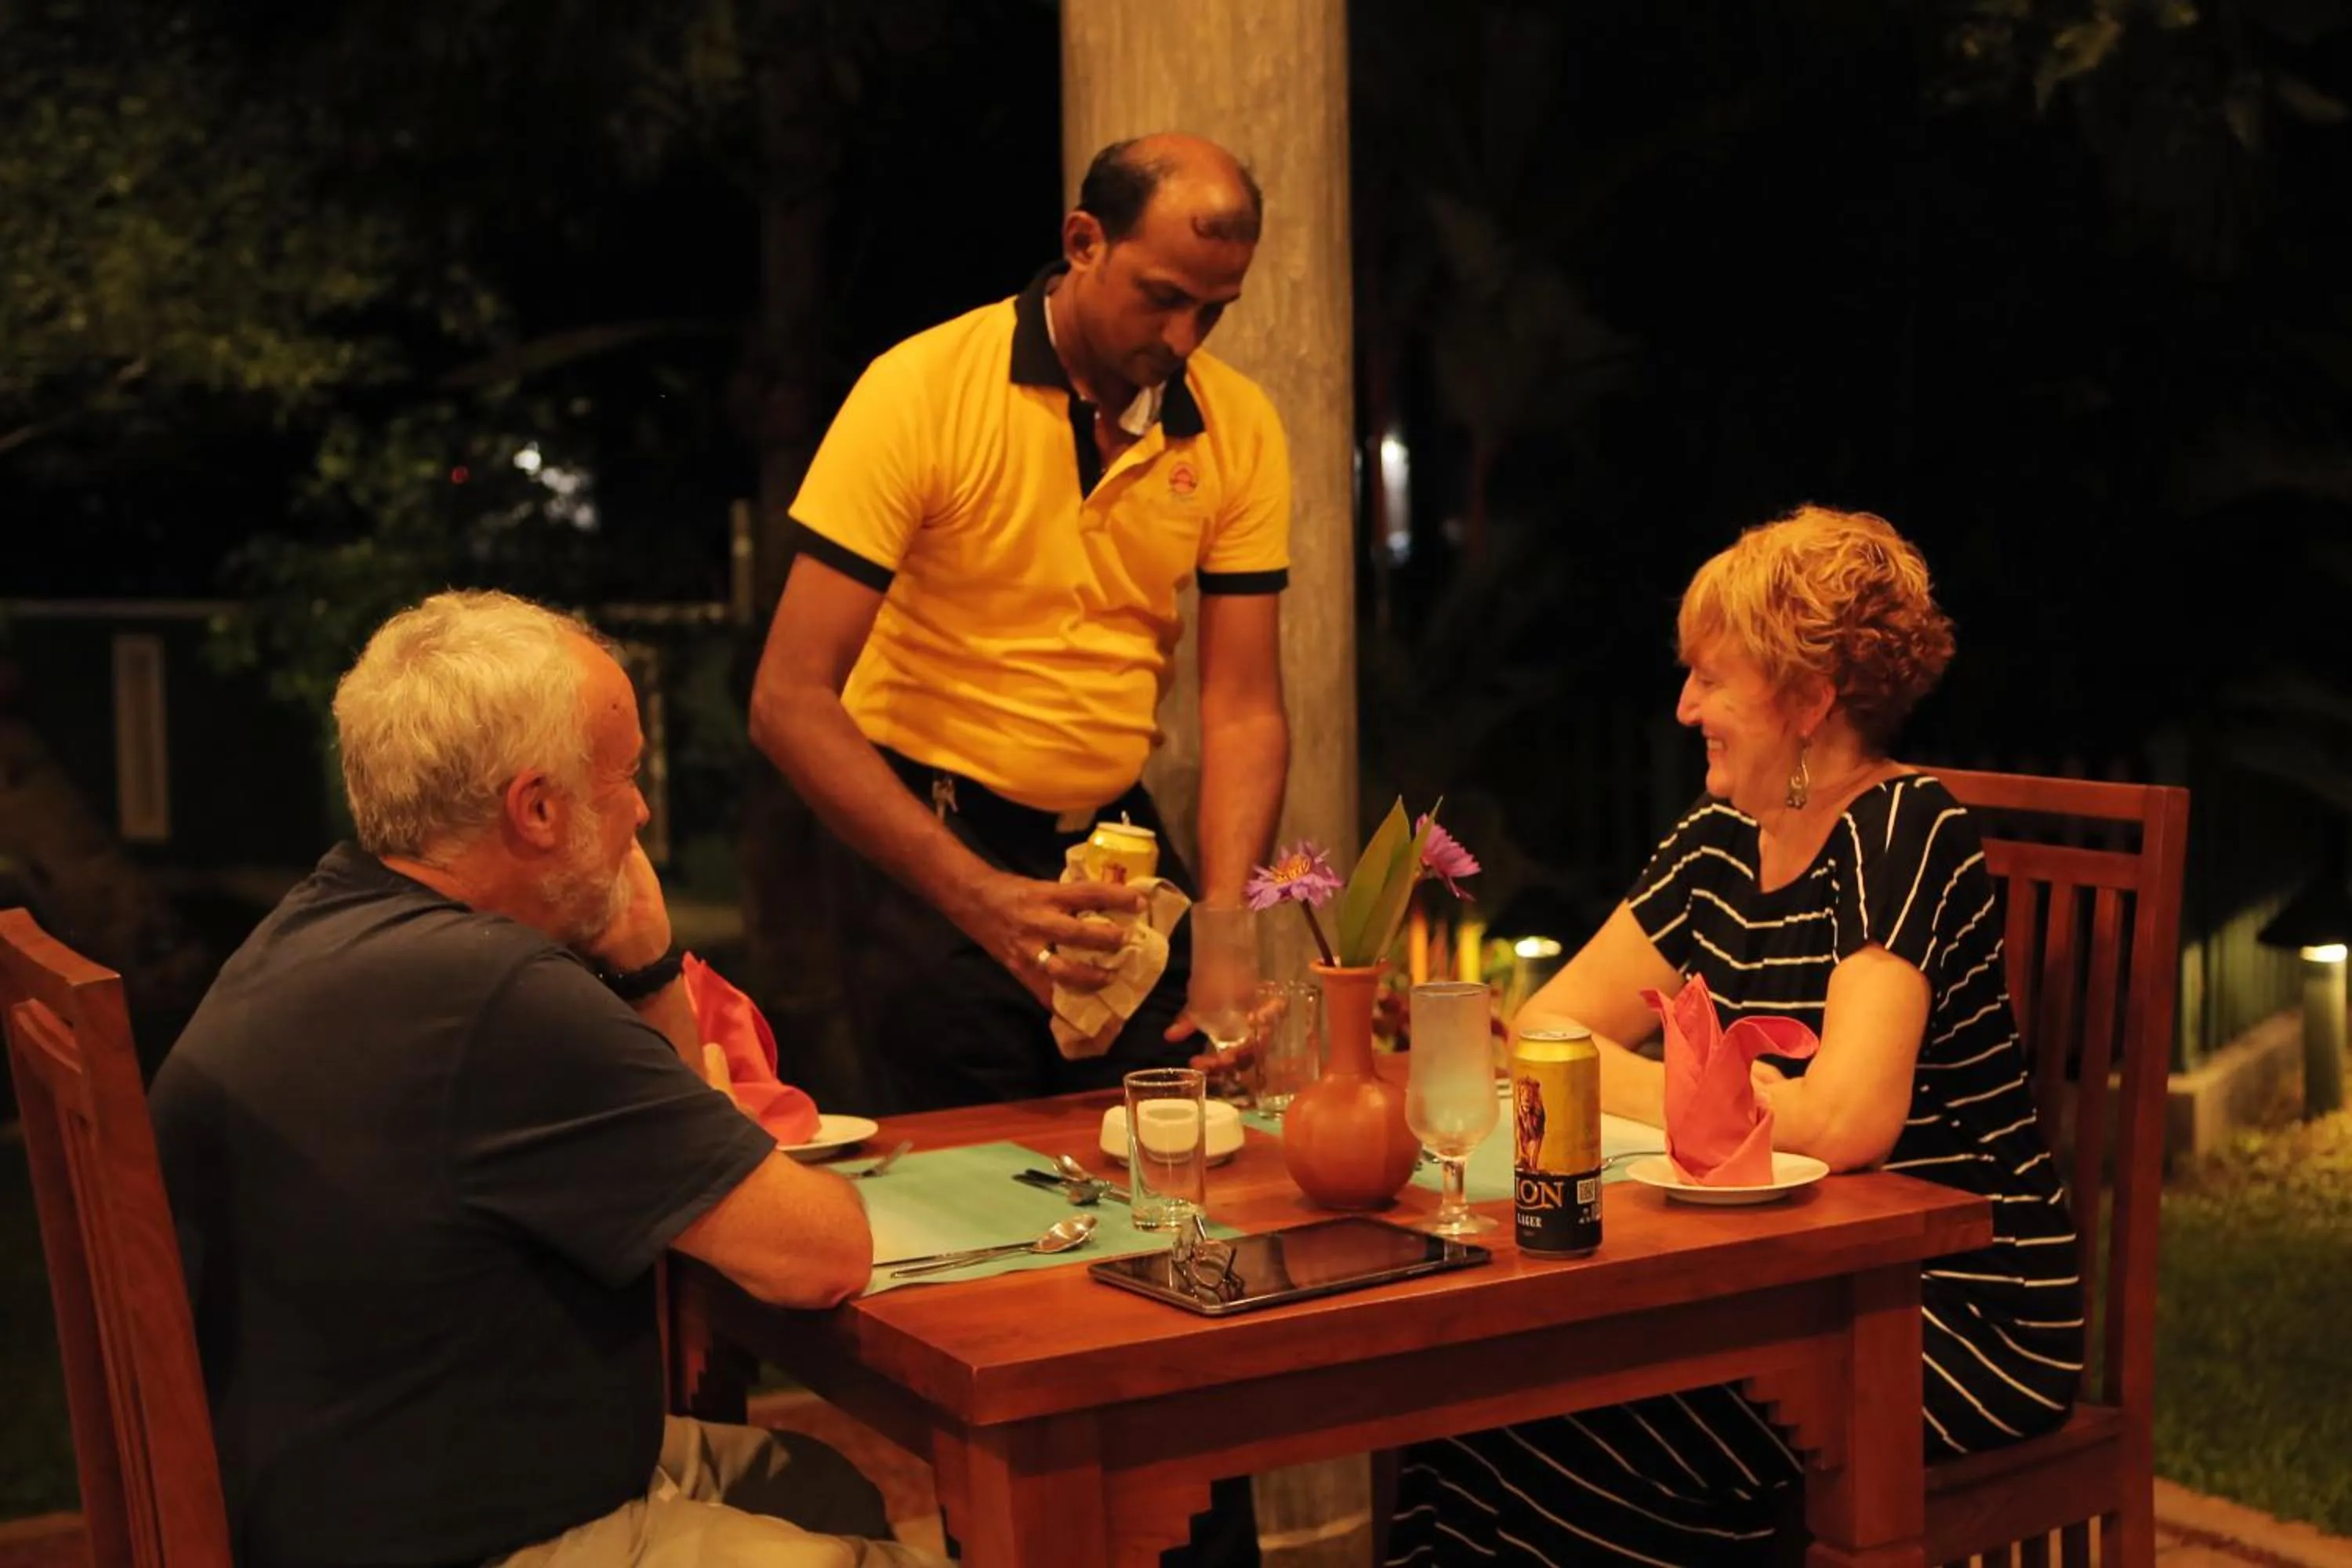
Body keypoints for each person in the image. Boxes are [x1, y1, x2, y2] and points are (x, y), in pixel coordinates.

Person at [149, 590, 940, 1568]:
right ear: (538, 809)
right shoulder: (499, 997)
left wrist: (643, 973)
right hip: (472, 1532)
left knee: (823, 1486)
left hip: (350, 1478)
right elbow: (818, 1252)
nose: (644, 811)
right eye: (626, 777)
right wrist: (653, 965)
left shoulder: (320, 923)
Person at [1384, 508, 2084, 1566]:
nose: (1683, 707)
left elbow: (1847, 1120)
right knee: (1472, 1412)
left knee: (1588, 1427)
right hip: (1781, 1290)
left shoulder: (1905, 829)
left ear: (1809, 699)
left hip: (1946, 1311)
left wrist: (1654, 1087)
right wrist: (1681, 1089)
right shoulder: (1719, 846)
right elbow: (1541, 1029)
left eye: (1712, 679)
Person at [748, 130, 1292, 1117]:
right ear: (1084, 241)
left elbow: (1245, 706)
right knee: (975, 1186)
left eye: (1214, 309)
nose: (1183, 339)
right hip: (930, 833)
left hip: (1111, 847)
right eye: (1163, 296)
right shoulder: (923, 389)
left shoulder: (1236, 423)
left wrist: (1224, 932)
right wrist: (977, 895)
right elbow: (788, 700)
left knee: (1173, 1141)